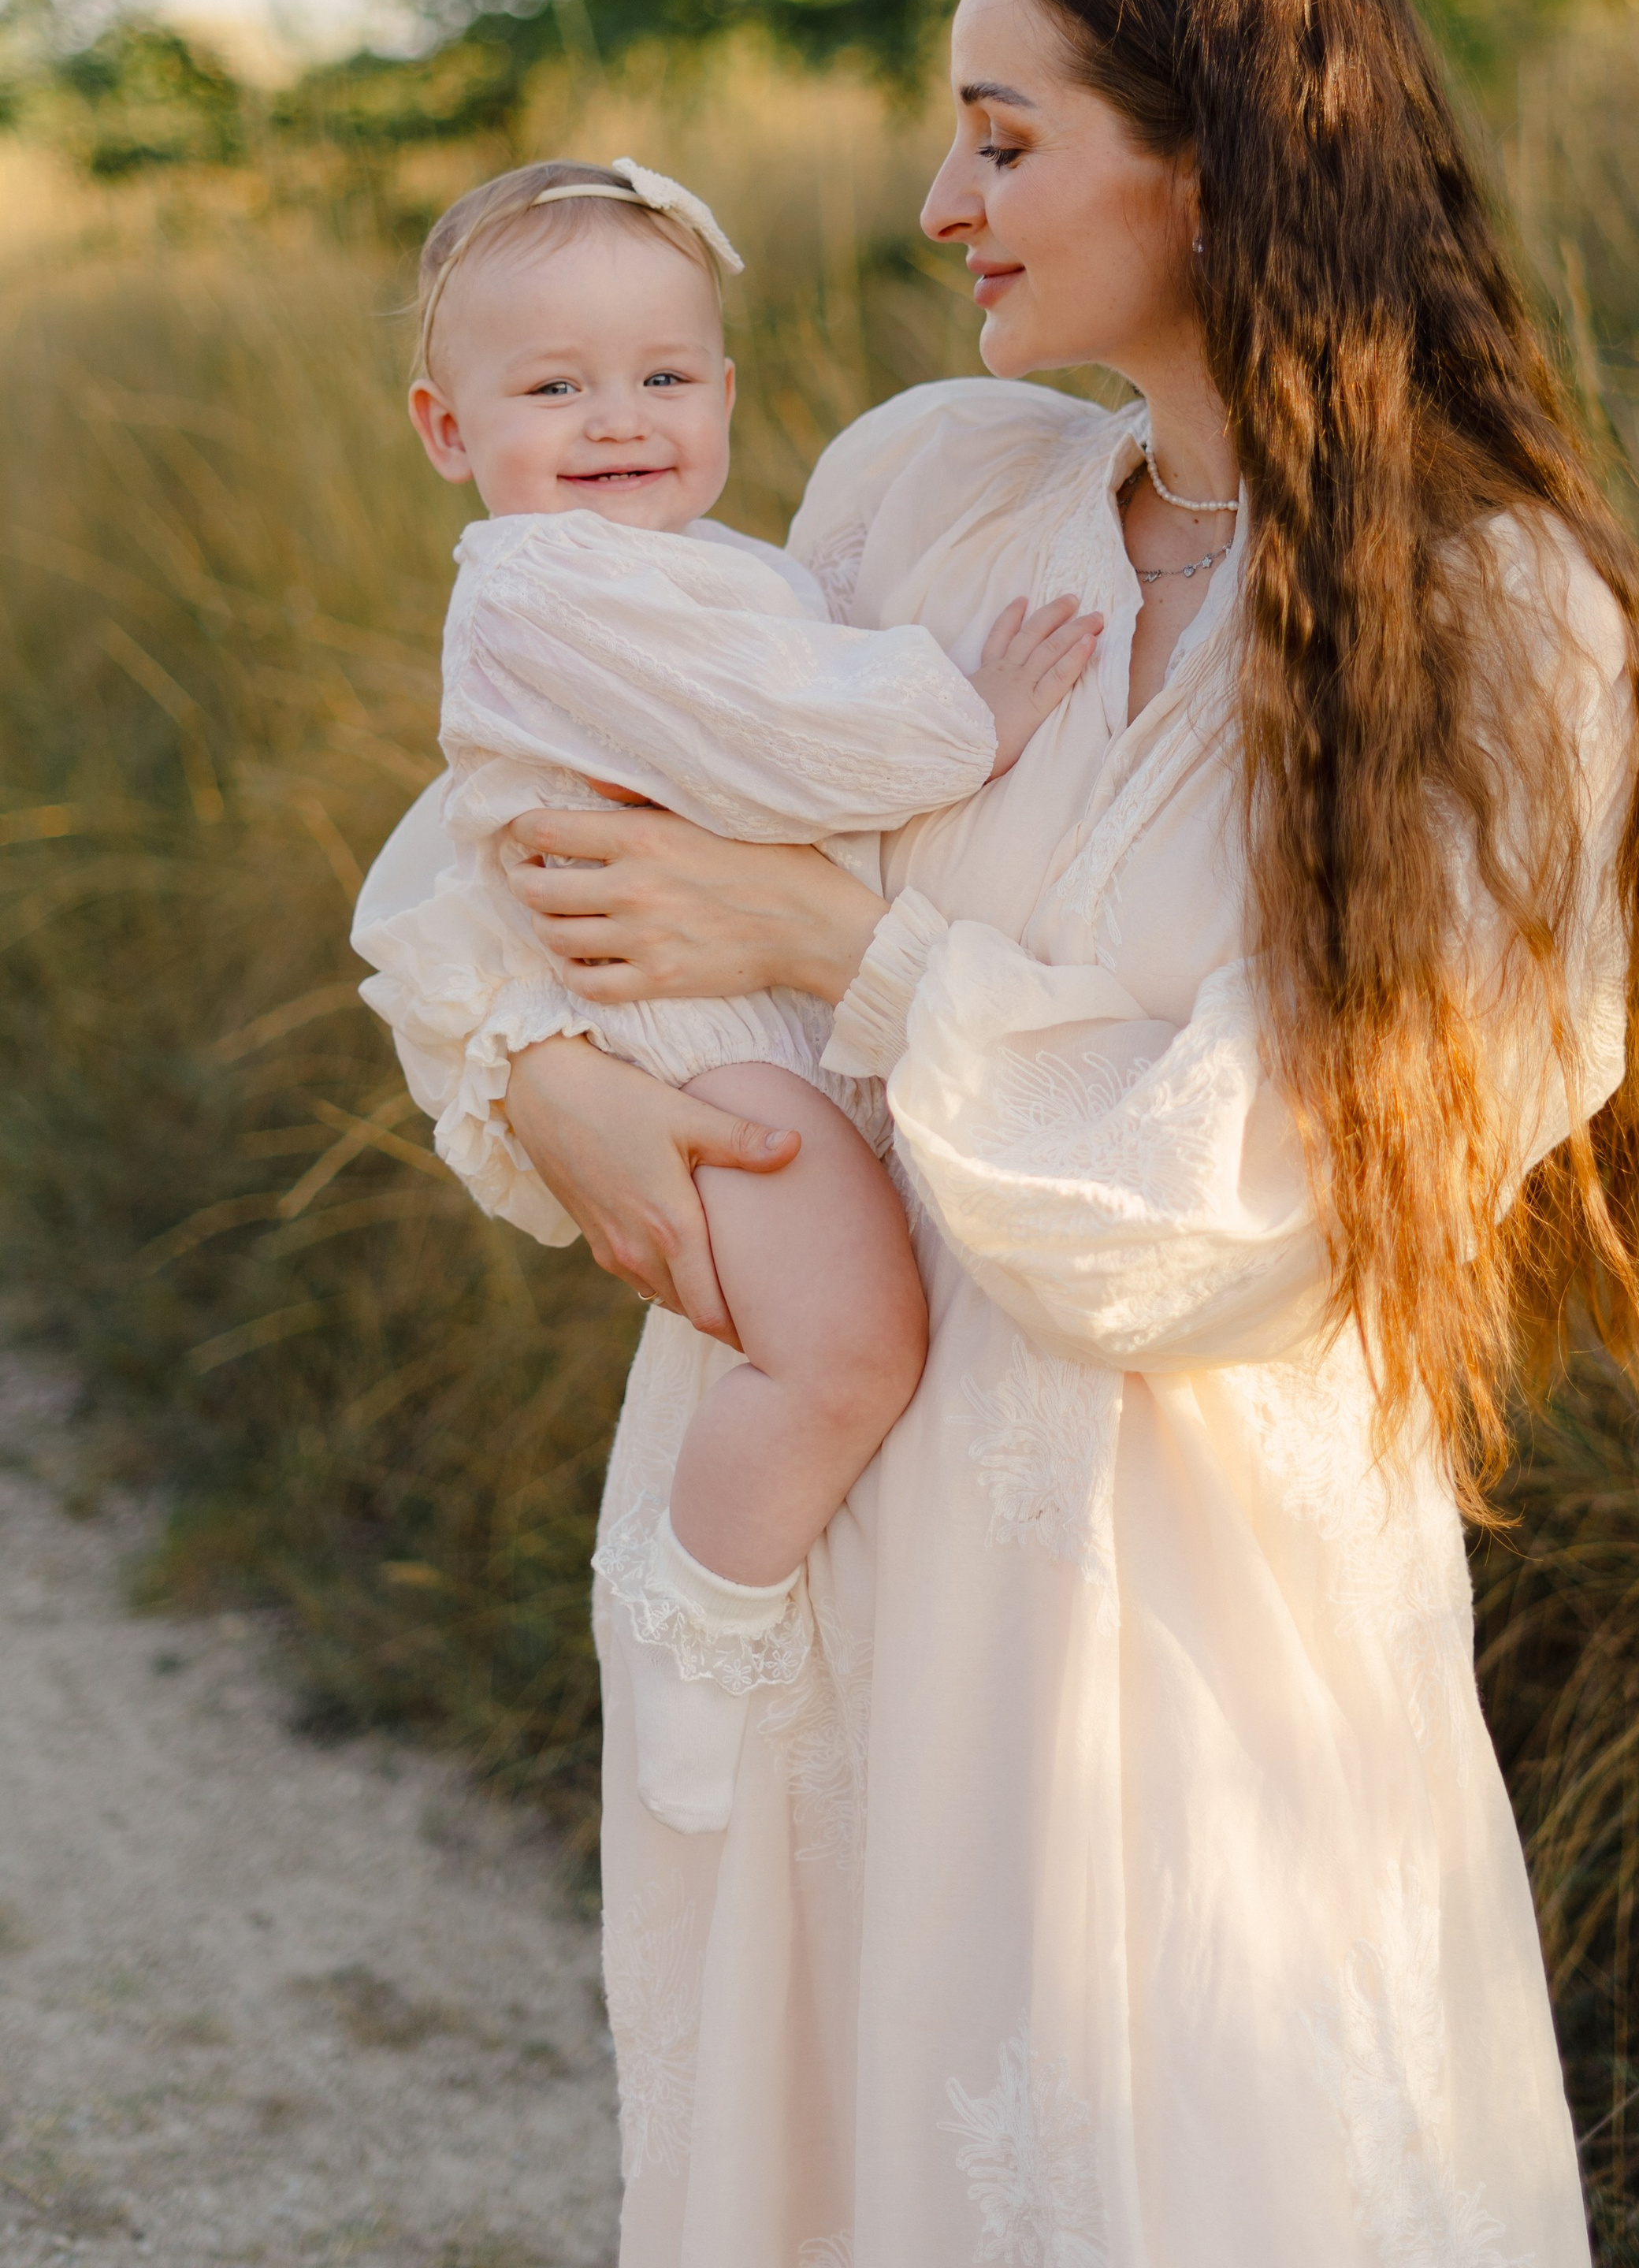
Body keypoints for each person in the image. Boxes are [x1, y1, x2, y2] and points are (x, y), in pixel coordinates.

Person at [355, 0, 1639, 2266]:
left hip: (1159, 1635)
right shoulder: (930, 487)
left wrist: (848, 954)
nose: (931, 197)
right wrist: (538, 1065)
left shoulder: (1485, 620)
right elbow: (527, 806)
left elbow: (1263, 1202)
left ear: (1209, 154)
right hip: (826, 1581)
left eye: (1000, 135)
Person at [360, 152, 1100, 1831]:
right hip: (695, 1040)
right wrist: (966, 717)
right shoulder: (549, 586)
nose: (618, 417)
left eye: (662, 376)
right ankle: (696, 1618)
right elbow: (781, 740)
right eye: (553, 387)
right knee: (842, 1353)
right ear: (447, 430)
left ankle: (728, 1601)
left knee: (841, 1339)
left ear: (724, 390)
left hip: (749, 1010)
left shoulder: (685, 563)